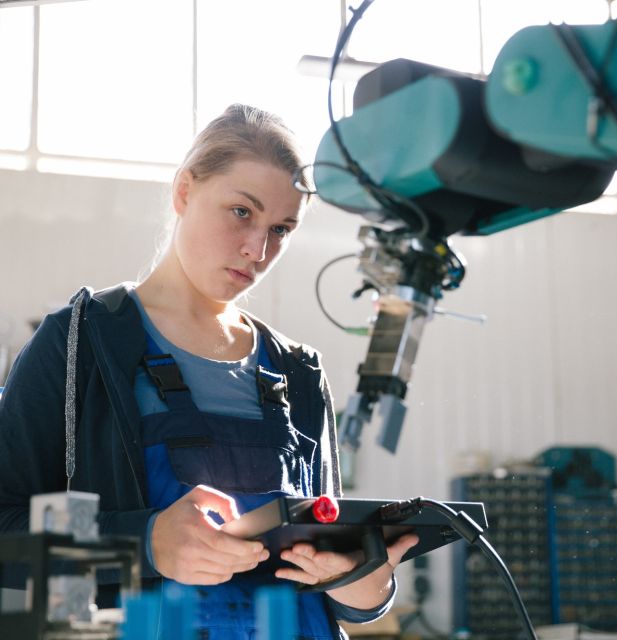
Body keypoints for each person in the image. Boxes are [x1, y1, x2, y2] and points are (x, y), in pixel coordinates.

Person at [0, 104, 418, 639]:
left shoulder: (296, 371)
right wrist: (145, 541)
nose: (258, 249)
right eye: (242, 212)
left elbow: (348, 594)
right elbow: (8, 528)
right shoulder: (83, 342)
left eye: (282, 229)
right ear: (184, 191)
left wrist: (364, 584)